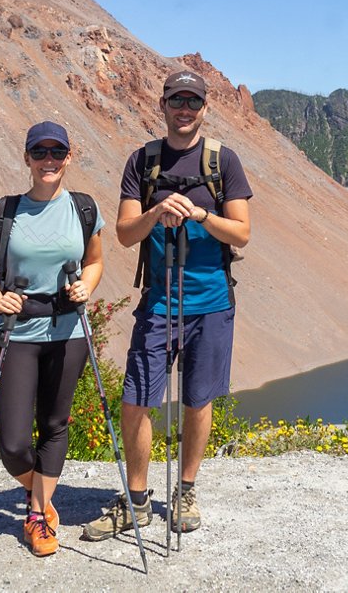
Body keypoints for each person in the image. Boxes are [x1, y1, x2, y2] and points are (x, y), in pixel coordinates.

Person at [83, 69, 252, 541]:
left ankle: (186, 490)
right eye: (176, 101)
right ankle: (136, 500)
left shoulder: (224, 161)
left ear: (204, 109)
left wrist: (200, 214)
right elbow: (123, 233)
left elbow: (242, 233)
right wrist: (157, 212)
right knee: (137, 399)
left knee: (199, 400)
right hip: (158, 303)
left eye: (192, 102)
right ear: (162, 105)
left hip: (212, 302)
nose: (184, 109)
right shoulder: (143, 162)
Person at [0, 120, 104, 557]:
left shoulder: (83, 209)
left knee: (54, 423)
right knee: (12, 442)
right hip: (19, 332)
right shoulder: (5, 210)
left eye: (57, 153)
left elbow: (96, 261)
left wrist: (88, 285)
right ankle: (40, 497)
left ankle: (37, 512)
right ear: (26, 157)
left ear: (69, 157)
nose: (49, 160)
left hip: (68, 331)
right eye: (40, 152)